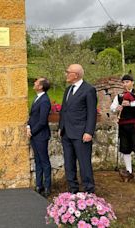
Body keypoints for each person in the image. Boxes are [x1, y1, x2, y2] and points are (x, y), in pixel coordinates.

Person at [59, 64, 97, 194]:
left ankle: (89, 191)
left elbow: (92, 113)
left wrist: (89, 132)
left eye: (67, 72)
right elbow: (64, 110)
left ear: (75, 74)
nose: (66, 74)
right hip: (66, 133)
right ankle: (72, 191)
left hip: (81, 134)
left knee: (84, 164)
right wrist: (61, 127)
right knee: (69, 164)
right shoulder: (68, 90)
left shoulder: (88, 89)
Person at [110, 74, 135, 184]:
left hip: (134, 125)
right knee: (125, 149)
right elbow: (112, 108)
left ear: (132, 82)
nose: (125, 84)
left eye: (127, 82)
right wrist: (116, 108)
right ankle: (128, 171)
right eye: (123, 82)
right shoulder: (119, 96)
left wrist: (131, 103)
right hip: (123, 125)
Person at [27, 77, 52, 197]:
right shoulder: (37, 98)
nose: (34, 83)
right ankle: (39, 185)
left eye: (37, 82)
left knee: (44, 161)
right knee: (37, 160)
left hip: (41, 135)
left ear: (41, 86)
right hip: (34, 135)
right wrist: (28, 127)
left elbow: (42, 121)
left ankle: (47, 187)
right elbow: (32, 116)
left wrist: (32, 131)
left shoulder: (45, 101)